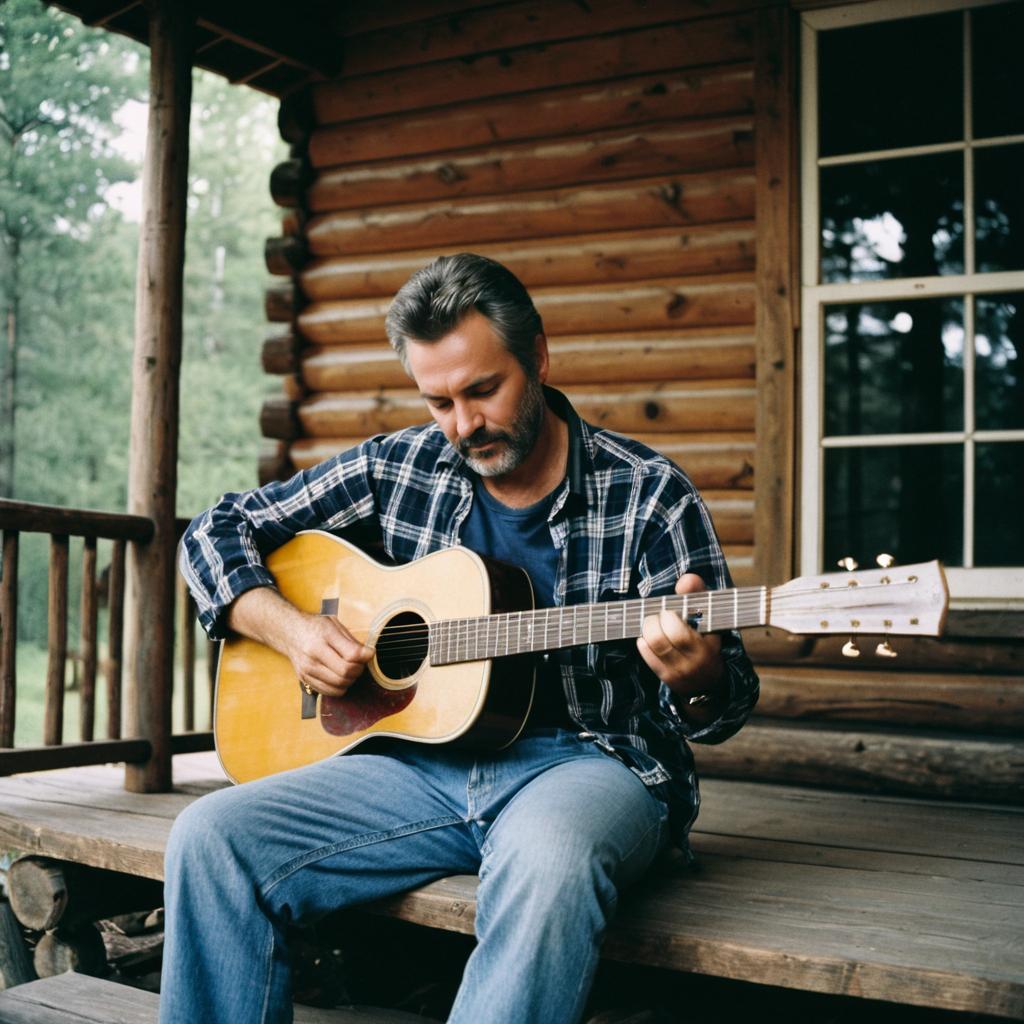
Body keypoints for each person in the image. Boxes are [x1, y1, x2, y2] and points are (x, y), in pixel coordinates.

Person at [162, 253, 759, 1024]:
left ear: (537, 356)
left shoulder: (650, 493)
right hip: (418, 764)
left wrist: (695, 674)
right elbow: (215, 531)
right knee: (211, 837)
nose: (463, 424)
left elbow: (725, 702)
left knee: (547, 858)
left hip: (590, 763)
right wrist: (292, 629)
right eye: (439, 401)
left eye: (483, 390)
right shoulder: (399, 465)